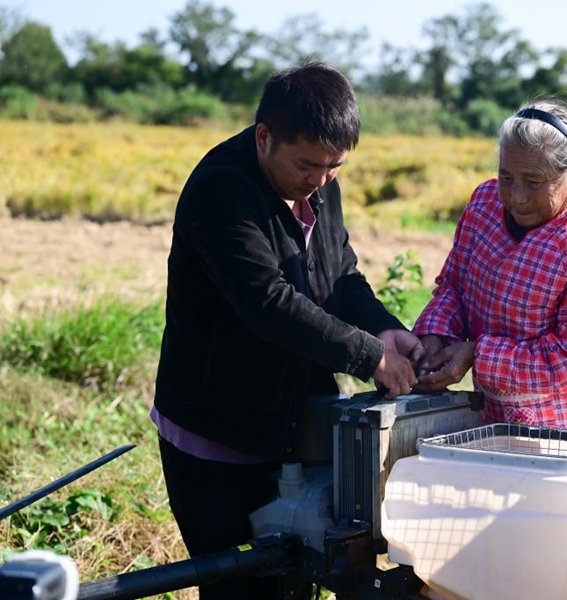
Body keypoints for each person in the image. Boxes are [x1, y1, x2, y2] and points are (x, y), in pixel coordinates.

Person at [151, 61, 422, 599]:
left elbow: (340, 275)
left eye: (335, 167)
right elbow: (267, 303)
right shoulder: (220, 189)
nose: (319, 180)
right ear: (264, 137)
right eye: (308, 165)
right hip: (219, 436)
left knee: (298, 583)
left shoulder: (318, 183)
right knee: (241, 590)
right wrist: (370, 357)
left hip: (298, 430)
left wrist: (384, 331)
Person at [413, 99, 567, 435]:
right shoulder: (484, 204)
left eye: (533, 182)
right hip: (495, 423)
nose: (516, 196)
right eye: (506, 176)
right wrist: (436, 335)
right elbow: (455, 286)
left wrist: (476, 355)